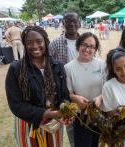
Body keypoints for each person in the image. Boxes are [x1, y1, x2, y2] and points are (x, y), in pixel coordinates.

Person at [5, 26, 73, 147]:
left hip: (54, 123)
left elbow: (64, 95)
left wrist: (64, 110)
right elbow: (16, 105)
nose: (35, 46)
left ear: (46, 42)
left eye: (39, 41)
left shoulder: (57, 66)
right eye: (29, 43)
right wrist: (46, 113)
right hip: (28, 124)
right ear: (25, 45)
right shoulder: (16, 69)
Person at [65, 32, 105, 147]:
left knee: (97, 144)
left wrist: (100, 97)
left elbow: (108, 88)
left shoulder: (102, 64)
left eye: (92, 46)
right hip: (81, 117)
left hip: (100, 114)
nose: (87, 49)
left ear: (96, 49)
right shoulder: (68, 68)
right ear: (78, 45)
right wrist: (75, 98)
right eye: (84, 45)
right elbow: (69, 93)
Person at [49, 11, 80, 146]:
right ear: (63, 24)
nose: (72, 24)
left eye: (74, 21)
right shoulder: (55, 43)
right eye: (68, 21)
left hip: (85, 89)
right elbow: (48, 67)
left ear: (79, 23)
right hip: (65, 91)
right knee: (71, 125)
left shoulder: (85, 41)